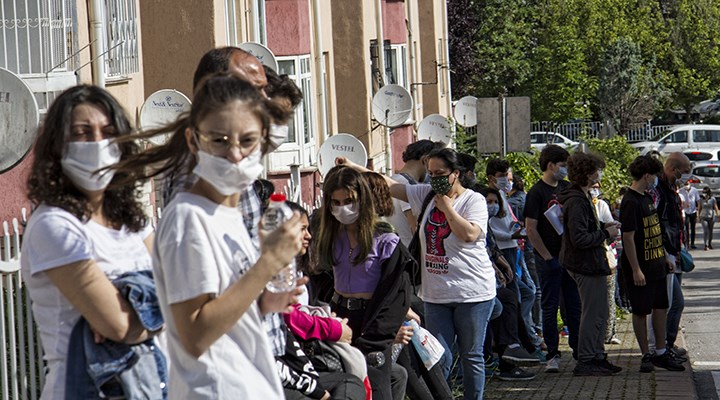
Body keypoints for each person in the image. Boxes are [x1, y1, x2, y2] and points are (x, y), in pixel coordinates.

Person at [112, 74, 305, 398]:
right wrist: (268, 263)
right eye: (219, 141)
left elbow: (226, 313)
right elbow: (196, 334)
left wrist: (267, 302)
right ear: (193, 141)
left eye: (247, 141)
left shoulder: (226, 214)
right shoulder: (188, 218)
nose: (235, 154)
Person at [21, 85, 166, 399]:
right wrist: (155, 305)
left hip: (147, 384)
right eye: (82, 133)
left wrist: (137, 309)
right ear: (58, 146)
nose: (98, 143)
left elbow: (179, 290)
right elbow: (120, 327)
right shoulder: (54, 225)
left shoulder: (133, 221)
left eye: (108, 132)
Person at [338, 148, 496, 400]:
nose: (434, 179)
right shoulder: (425, 194)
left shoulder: (473, 200)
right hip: (436, 294)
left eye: (441, 173)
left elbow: (469, 234)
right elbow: (387, 184)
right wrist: (354, 166)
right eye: (431, 173)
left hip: (472, 292)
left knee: (471, 354)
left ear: (456, 174)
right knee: (436, 355)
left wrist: (448, 209)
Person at [315, 165, 412, 400]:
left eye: (348, 201)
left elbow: (396, 293)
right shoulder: (327, 235)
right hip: (339, 320)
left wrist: (381, 334)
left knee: (378, 390)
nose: (342, 208)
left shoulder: (385, 239)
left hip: (371, 323)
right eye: (335, 203)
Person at [620, 155, 685, 373]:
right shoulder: (630, 201)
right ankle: (645, 354)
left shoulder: (647, 198)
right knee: (641, 310)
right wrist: (636, 269)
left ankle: (660, 351)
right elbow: (628, 238)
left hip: (657, 263)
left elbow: (655, 230)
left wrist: (664, 257)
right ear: (647, 175)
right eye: (654, 176)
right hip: (641, 267)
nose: (656, 180)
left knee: (661, 307)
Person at [558, 151, 621, 377]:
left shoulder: (581, 197)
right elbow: (580, 238)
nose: (598, 174)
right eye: (595, 170)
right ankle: (586, 359)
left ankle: (596, 355)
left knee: (599, 312)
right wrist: (606, 232)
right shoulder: (577, 202)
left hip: (591, 263)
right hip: (585, 264)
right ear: (586, 173)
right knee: (592, 313)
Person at [524, 144, 581, 373]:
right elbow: (531, 229)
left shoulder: (567, 188)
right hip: (548, 259)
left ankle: (579, 351)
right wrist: (547, 257)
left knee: (575, 305)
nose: (565, 170)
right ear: (550, 165)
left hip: (569, 258)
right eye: (562, 165)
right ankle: (552, 354)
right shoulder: (536, 193)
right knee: (550, 306)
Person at [478, 187, 538, 382]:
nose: (492, 206)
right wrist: (496, 268)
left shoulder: (485, 223)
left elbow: (492, 248)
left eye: (495, 202)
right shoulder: (476, 221)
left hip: (497, 271)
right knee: (508, 301)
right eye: (488, 202)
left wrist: (501, 264)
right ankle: (513, 350)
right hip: (476, 285)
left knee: (516, 298)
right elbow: (482, 250)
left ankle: (518, 349)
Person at [648, 152, 691, 361]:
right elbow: (657, 224)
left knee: (673, 302)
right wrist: (665, 252)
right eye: (683, 173)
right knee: (674, 302)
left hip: (674, 252)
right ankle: (663, 346)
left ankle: (667, 345)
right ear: (673, 169)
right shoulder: (658, 191)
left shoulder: (671, 189)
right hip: (664, 254)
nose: (685, 178)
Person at [387, 140, 442, 247]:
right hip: (407, 252)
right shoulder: (409, 186)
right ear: (425, 160)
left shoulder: (393, 180)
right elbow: (416, 228)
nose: (432, 174)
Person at [589, 182, 621, 346]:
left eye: (597, 186)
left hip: (605, 255)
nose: (594, 190)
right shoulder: (581, 204)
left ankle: (609, 333)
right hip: (587, 260)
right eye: (592, 186)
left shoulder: (601, 205)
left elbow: (611, 230)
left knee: (609, 296)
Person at [678, 178, 700, 249]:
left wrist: (698, 212)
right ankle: (687, 243)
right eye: (684, 184)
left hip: (693, 211)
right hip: (685, 212)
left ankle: (692, 243)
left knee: (693, 228)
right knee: (686, 228)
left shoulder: (694, 190)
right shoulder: (681, 191)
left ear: (689, 183)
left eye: (686, 184)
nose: (686, 185)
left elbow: (698, 201)